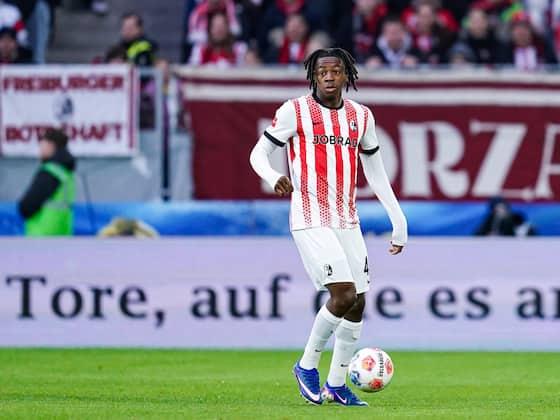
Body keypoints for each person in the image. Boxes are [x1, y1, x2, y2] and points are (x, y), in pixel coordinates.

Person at [249, 48, 407, 406]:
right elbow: (257, 153)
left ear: (346, 75)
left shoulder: (361, 117)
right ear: (313, 76)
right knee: (344, 294)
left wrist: (398, 220)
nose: (329, 77)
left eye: (336, 71)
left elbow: (376, 172)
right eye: (323, 72)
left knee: (358, 303)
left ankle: (335, 385)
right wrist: (273, 176)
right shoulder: (295, 111)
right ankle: (306, 365)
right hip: (310, 217)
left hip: (347, 219)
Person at [18, 128, 76, 236]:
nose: (39, 150)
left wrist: (23, 209)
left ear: (51, 145)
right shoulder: (66, 173)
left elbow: (27, 206)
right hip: (63, 233)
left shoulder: (51, 172)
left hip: (42, 234)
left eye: (41, 145)